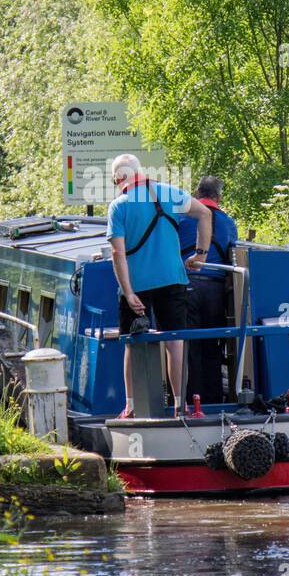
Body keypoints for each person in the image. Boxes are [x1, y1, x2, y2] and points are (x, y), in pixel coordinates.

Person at [107, 154, 212, 417]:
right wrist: (201, 255)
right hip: (173, 279)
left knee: (133, 343)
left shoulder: (119, 206)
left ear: (120, 179)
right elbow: (205, 213)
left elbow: (118, 254)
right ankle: (180, 405)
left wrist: (128, 292)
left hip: (137, 285)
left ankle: (131, 406)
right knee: (175, 342)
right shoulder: (169, 192)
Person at [178, 175, 239, 404]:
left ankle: (192, 400)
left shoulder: (181, 220)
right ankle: (213, 398)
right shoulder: (227, 223)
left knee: (189, 344)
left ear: (196, 195)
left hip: (186, 286)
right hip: (214, 288)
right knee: (213, 343)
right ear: (219, 197)